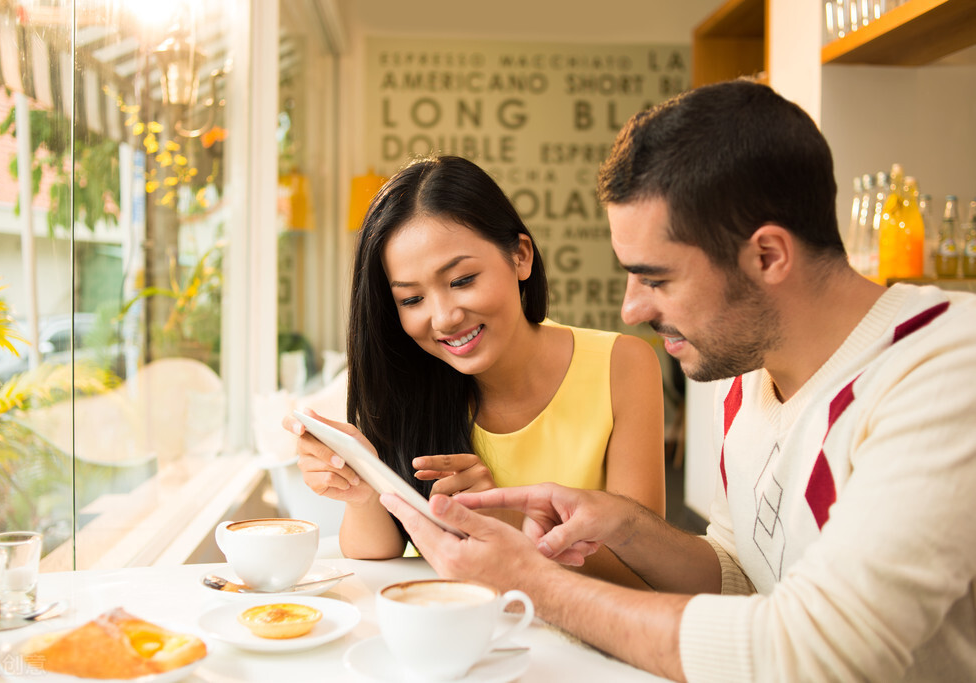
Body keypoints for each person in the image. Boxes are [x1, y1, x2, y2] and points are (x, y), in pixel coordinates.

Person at [380, 80, 976, 682]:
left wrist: (532, 580)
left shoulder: (945, 368)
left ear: (767, 256)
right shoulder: (746, 370)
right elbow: (745, 573)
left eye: (655, 279)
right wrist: (622, 522)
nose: (630, 310)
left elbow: (814, 653)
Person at [285, 155, 666, 587]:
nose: (444, 318)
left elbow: (647, 571)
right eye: (411, 300)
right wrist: (362, 491)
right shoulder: (410, 384)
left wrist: (512, 529)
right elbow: (381, 555)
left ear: (520, 257)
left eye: (462, 280)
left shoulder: (622, 366)